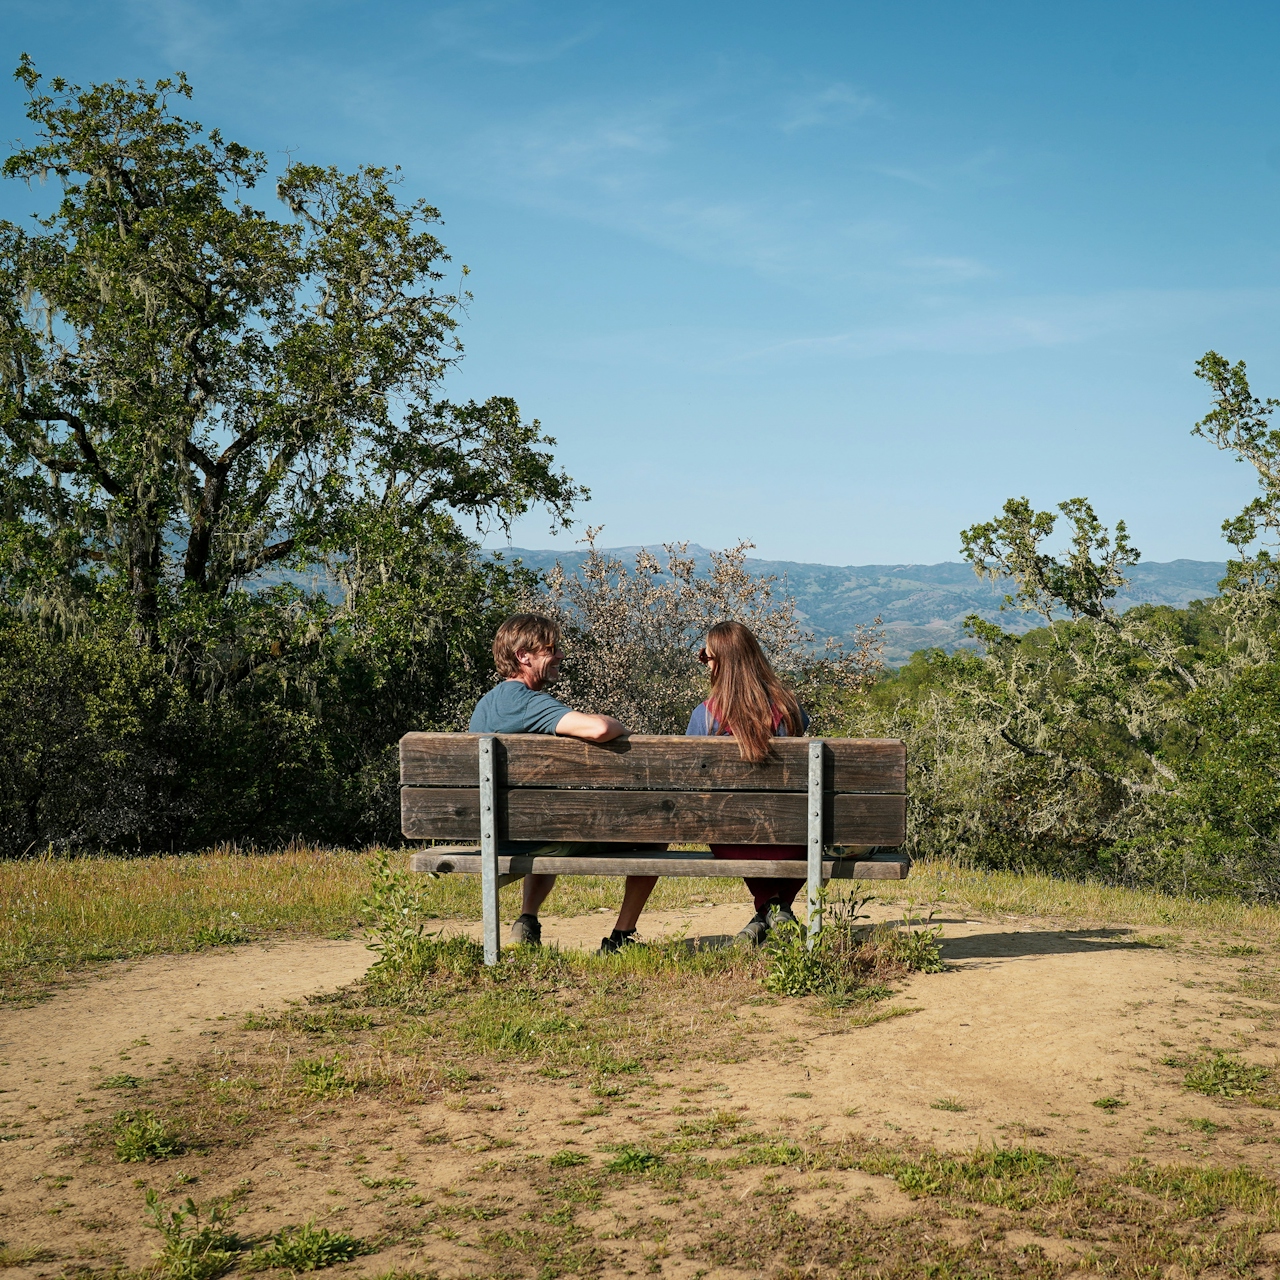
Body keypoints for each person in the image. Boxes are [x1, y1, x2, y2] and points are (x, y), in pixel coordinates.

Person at [468, 613, 662, 953]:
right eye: (551, 649)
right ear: (523, 656)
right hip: (532, 836)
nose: (559, 656)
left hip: (497, 832)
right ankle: (622, 936)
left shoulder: (486, 704)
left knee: (544, 820)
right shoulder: (527, 702)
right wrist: (621, 727)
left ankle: (527, 919)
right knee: (656, 836)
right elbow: (598, 730)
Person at [686, 620, 810, 946]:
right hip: (793, 837)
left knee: (722, 822)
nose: (705, 663)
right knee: (799, 826)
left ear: (722, 662)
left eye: (707, 657)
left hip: (730, 837)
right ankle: (776, 910)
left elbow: (688, 784)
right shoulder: (792, 709)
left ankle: (768, 909)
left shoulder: (705, 717)